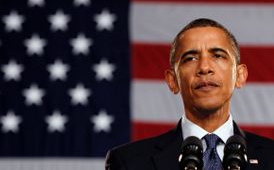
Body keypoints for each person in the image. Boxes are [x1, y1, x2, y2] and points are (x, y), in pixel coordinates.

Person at [105, 18, 274, 170]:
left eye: (217, 55)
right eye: (190, 58)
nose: (204, 67)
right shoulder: (129, 162)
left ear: (240, 76)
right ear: (173, 81)